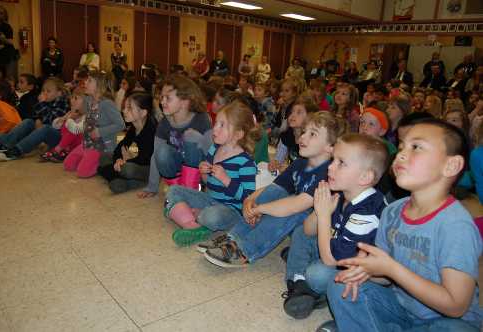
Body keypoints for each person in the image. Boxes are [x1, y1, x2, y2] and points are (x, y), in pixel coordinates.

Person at [319, 119, 482, 332]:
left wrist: (392, 269)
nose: (401, 154)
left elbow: (456, 306)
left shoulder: (456, 225)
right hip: (400, 307)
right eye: (403, 146)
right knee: (339, 285)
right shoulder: (392, 211)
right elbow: (386, 279)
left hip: (445, 320)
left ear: (451, 166)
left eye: (416, 147)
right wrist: (367, 270)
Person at [201, 112, 345, 268]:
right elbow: (274, 188)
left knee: (295, 210)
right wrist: (250, 200)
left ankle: (246, 250)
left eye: (312, 134)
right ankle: (233, 237)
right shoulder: (300, 163)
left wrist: (260, 209)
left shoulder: (328, 173)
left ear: (330, 147)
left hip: (316, 231)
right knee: (274, 193)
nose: (303, 137)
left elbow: (296, 205)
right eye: (304, 132)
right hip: (292, 221)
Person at [283, 133, 389, 320]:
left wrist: (324, 215)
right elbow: (308, 231)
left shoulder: (367, 211)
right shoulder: (345, 192)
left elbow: (331, 260)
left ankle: (305, 278)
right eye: (333, 160)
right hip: (338, 250)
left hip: (358, 272)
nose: (330, 167)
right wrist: (319, 210)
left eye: (341, 163)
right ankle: (299, 284)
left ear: (365, 177)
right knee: (300, 232)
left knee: (317, 274)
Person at [166, 100, 259, 246]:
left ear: (238, 134)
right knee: (173, 190)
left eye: (222, 125)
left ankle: (193, 215)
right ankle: (193, 225)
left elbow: (248, 198)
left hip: (231, 210)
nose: (215, 129)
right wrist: (204, 171)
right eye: (216, 123)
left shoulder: (245, 162)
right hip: (209, 200)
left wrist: (226, 179)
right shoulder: (214, 149)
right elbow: (207, 183)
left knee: (212, 216)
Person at [138, 75, 212, 198]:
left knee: (191, 136)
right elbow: (155, 155)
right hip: (178, 167)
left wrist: (211, 187)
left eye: (168, 98)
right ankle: (177, 188)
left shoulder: (201, 118)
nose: (162, 102)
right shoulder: (164, 122)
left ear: (185, 101)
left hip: (199, 168)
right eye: (162, 97)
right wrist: (152, 186)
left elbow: (211, 152)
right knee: (161, 152)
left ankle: (192, 187)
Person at [0, 77, 69, 160]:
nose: (44, 93)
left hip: (59, 139)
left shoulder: (62, 103)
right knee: (28, 121)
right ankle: (5, 144)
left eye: (48, 91)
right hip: (44, 134)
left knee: (46, 128)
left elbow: (51, 122)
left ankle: (17, 150)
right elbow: (35, 116)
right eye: (43, 90)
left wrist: (42, 104)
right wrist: (37, 119)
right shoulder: (47, 102)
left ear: (59, 93)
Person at [63, 71, 124, 178]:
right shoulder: (88, 100)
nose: (86, 83)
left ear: (99, 85)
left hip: (102, 145)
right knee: (68, 165)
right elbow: (81, 112)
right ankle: (89, 157)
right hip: (87, 142)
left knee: (82, 172)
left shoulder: (107, 104)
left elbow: (121, 124)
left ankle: (103, 162)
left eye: (89, 80)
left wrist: (100, 132)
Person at [98, 92, 157, 193]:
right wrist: (118, 160)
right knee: (104, 157)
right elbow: (119, 148)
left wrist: (128, 160)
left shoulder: (151, 130)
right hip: (132, 162)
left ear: (143, 113)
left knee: (128, 170)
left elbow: (147, 159)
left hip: (148, 169)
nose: (124, 111)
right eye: (124, 107)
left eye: (129, 108)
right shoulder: (133, 127)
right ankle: (119, 181)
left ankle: (110, 174)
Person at [40, 88, 86, 163]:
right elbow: (55, 126)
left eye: (76, 98)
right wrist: (63, 118)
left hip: (78, 145)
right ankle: (62, 151)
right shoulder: (70, 113)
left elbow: (77, 130)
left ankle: (59, 149)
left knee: (72, 130)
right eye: (72, 97)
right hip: (66, 144)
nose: (72, 100)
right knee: (66, 125)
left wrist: (70, 119)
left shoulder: (85, 116)